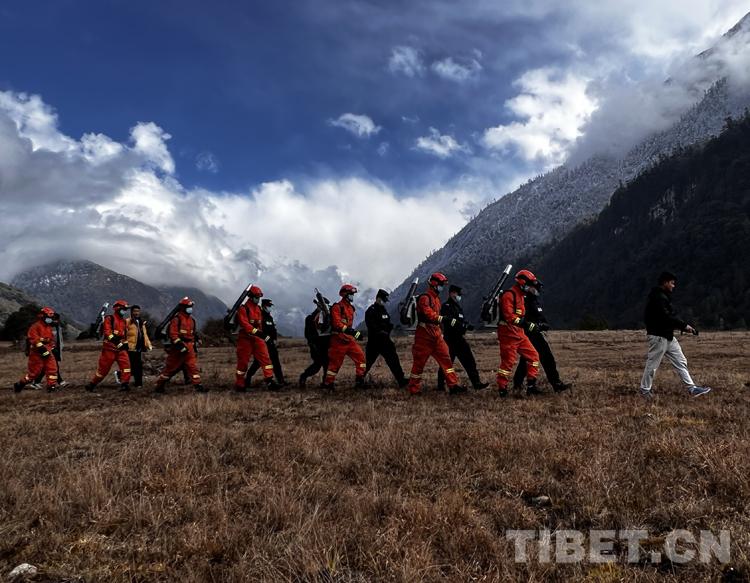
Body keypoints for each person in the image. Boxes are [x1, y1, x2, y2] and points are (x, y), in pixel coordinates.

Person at [639, 271, 711, 398]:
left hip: (667, 336)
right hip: (658, 336)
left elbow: (668, 317)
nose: (673, 286)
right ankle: (645, 391)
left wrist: (681, 326)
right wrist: (684, 326)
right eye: (672, 283)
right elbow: (666, 317)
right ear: (665, 282)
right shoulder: (659, 298)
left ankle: (692, 388)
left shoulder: (661, 297)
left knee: (681, 360)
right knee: (653, 364)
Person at [407, 273, 467, 396]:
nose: (442, 287)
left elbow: (435, 316)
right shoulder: (425, 298)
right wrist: (444, 319)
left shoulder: (436, 299)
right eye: (441, 285)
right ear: (435, 284)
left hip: (436, 335)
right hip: (424, 336)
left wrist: (441, 327)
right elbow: (429, 314)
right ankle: (414, 389)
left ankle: (453, 386)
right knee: (419, 364)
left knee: (447, 360)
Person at [513, 280, 571, 394]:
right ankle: (552, 384)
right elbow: (522, 319)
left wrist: (544, 324)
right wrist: (532, 326)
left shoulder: (534, 300)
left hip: (536, 333)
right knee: (542, 357)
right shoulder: (523, 300)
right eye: (535, 287)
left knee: (529, 359)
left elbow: (539, 316)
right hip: (528, 334)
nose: (537, 290)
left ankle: (519, 384)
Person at [495, 270, 541, 397]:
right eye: (530, 284)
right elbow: (509, 316)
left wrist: (526, 324)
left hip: (519, 334)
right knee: (507, 363)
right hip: (508, 334)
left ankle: (531, 386)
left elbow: (520, 317)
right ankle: (502, 388)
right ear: (523, 282)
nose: (531, 287)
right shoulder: (509, 295)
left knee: (534, 356)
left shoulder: (521, 295)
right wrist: (526, 324)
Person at [436, 285, 489, 391]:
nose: (459, 296)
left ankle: (476, 383)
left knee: (470, 361)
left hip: (459, 339)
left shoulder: (458, 307)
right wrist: (463, 325)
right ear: (452, 293)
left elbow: (461, 320)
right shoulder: (446, 306)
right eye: (458, 294)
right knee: (446, 363)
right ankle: (440, 386)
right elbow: (450, 321)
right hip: (450, 339)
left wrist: (467, 325)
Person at [154, 297, 206, 393]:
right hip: (177, 349)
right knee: (170, 369)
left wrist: (197, 339)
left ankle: (198, 386)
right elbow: (173, 334)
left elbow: (192, 333)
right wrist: (180, 346)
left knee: (192, 366)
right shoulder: (176, 320)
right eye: (189, 306)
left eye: (191, 306)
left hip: (189, 347)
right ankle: (159, 385)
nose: (191, 308)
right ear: (183, 307)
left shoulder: (192, 320)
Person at [234, 286, 279, 392]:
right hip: (245, 339)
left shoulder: (258, 309)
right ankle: (240, 383)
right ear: (250, 296)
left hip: (257, 338)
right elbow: (245, 325)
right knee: (243, 362)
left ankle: (269, 381)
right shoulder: (243, 309)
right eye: (256, 297)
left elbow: (260, 325)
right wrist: (259, 333)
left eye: (259, 297)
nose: (258, 299)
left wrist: (263, 335)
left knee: (265, 359)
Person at [323, 284, 366, 389]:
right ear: (345, 294)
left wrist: (354, 334)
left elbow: (349, 325)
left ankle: (360, 381)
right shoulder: (337, 307)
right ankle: (328, 384)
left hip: (349, 340)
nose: (352, 296)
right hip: (338, 340)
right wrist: (352, 332)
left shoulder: (351, 308)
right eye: (351, 294)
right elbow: (337, 324)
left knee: (361, 359)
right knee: (334, 365)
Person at [85, 299, 132, 392]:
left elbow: (124, 335)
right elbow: (107, 333)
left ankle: (125, 384)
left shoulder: (123, 321)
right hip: (109, 349)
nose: (125, 311)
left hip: (120, 349)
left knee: (126, 367)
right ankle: (92, 384)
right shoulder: (109, 318)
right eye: (123, 308)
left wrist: (126, 344)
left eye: (125, 309)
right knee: (103, 370)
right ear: (117, 308)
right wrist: (116, 342)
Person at [364, 289, 408, 388]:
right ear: (378, 298)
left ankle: (401, 380)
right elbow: (371, 326)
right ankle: (359, 380)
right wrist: (381, 330)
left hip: (385, 342)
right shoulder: (371, 311)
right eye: (384, 300)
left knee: (394, 361)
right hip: (374, 342)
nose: (385, 302)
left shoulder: (384, 310)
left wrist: (388, 328)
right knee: (367, 363)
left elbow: (388, 323)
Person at [14, 307, 59, 393]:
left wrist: (53, 348)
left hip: (48, 352)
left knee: (52, 369)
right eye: (49, 318)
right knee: (34, 374)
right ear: (43, 316)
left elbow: (50, 339)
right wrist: (42, 349)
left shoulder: (48, 327)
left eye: (51, 318)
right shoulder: (35, 327)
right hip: (36, 353)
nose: (50, 320)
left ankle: (51, 386)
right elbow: (33, 340)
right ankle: (20, 384)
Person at [245, 298, 286, 387]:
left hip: (271, 344)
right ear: (264, 306)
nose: (270, 307)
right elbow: (259, 330)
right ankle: (248, 377)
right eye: (269, 306)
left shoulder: (270, 317)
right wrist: (264, 338)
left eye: (270, 306)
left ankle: (281, 381)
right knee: (258, 363)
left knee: (276, 362)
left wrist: (275, 339)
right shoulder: (260, 316)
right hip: (263, 343)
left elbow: (273, 330)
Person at [118, 305, 152, 388]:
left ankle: (138, 384)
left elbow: (144, 335)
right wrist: (124, 344)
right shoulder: (127, 322)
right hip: (130, 347)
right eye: (135, 311)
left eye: (138, 311)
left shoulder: (141, 322)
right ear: (131, 312)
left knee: (138, 366)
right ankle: (121, 377)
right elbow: (123, 334)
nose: (136, 313)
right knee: (130, 366)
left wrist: (148, 345)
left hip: (139, 347)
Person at [299, 297, 330, 387]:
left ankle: (325, 383)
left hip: (326, 345)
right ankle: (303, 376)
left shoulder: (327, 317)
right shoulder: (310, 318)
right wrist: (313, 344)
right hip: (316, 346)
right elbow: (308, 334)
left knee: (327, 364)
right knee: (317, 365)